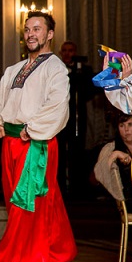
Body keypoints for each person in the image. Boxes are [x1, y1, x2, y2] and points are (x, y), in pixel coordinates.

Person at [0, 11, 77, 262]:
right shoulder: (15, 69)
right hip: (11, 144)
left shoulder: (56, 68)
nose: (31, 33)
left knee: (24, 207)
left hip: (36, 145)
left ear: (50, 34)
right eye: (27, 29)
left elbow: (57, 104)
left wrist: (32, 130)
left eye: (37, 28)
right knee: (36, 206)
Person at [56, 40, 96, 199]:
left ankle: (78, 189)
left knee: (77, 152)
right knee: (59, 153)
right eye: (64, 50)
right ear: (60, 53)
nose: (67, 54)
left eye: (70, 50)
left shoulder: (84, 70)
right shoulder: (55, 69)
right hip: (58, 117)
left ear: (75, 52)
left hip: (77, 116)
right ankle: (59, 188)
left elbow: (90, 92)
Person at [93, 112, 132, 210]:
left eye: (130, 125)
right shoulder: (111, 147)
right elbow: (99, 176)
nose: (126, 129)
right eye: (122, 125)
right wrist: (114, 155)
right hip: (126, 201)